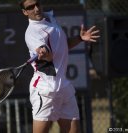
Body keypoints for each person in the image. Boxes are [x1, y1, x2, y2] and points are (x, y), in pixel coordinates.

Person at [19, 0, 100, 132]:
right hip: (44, 89)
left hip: (63, 86)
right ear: (25, 12)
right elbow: (49, 57)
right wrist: (44, 53)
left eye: (37, 4)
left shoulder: (50, 18)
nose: (36, 9)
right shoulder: (32, 32)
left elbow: (63, 46)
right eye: (30, 7)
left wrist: (79, 39)